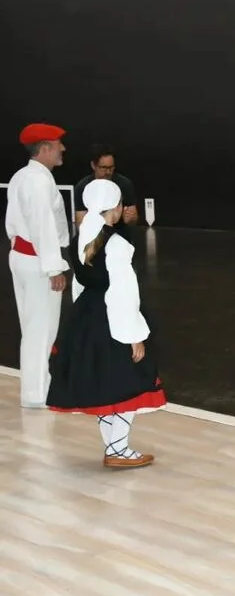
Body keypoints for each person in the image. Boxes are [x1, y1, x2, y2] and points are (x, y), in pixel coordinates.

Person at [46, 179, 165, 467]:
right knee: (129, 380)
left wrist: (80, 317)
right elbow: (123, 292)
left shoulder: (80, 239)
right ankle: (117, 449)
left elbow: (79, 284)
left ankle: (114, 448)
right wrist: (134, 335)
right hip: (112, 318)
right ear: (117, 207)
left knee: (104, 382)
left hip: (86, 315)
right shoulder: (116, 243)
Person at [6, 122, 70, 409]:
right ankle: (37, 394)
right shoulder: (38, 181)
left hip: (24, 257)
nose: (63, 149)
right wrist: (53, 267)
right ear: (45, 148)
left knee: (33, 327)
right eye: (58, 145)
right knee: (41, 329)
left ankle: (36, 389)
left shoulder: (23, 176)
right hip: (38, 261)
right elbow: (42, 225)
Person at [73, 144, 139, 240]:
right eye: (103, 168)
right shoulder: (82, 187)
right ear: (93, 165)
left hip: (120, 237)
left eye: (111, 167)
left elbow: (134, 218)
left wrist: (130, 218)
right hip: (92, 239)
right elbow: (80, 224)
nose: (108, 172)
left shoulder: (124, 184)